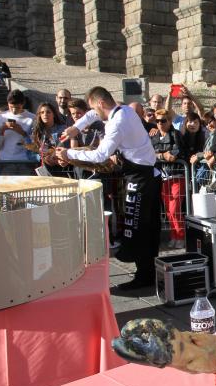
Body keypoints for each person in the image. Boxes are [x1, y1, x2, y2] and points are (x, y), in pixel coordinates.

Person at [57, 87, 161, 291]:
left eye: (95, 108)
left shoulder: (117, 122)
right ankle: (147, 271)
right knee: (144, 226)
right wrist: (75, 129)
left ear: (101, 103)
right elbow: (90, 114)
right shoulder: (125, 110)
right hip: (141, 174)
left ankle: (144, 275)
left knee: (138, 226)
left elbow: (99, 156)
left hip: (142, 178)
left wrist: (69, 154)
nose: (95, 113)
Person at [152, 109, 185, 250]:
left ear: (170, 121)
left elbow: (178, 151)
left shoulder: (175, 134)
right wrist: (162, 155)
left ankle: (180, 236)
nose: (160, 123)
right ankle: (174, 236)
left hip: (177, 176)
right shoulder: (154, 136)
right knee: (168, 211)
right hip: (163, 177)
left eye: (163, 120)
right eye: (157, 121)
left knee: (174, 209)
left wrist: (165, 154)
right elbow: (151, 153)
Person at [0, 89, 35, 174]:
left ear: (23, 104)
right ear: (7, 103)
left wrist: (22, 132)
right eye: (11, 107)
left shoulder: (32, 118)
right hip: (5, 161)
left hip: (25, 161)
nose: (14, 110)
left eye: (17, 107)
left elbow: (34, 144)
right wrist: (2, 130)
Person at [30, 102, 70, 175]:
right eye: (42, 112)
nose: (45, 114)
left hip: (61, 167)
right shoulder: (36, 131)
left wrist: (57, 159)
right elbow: (31, 152)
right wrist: (42, 158)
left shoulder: (63, 129)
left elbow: (68, 147)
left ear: (54, 114)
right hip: (42, 167)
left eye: (48, 112)